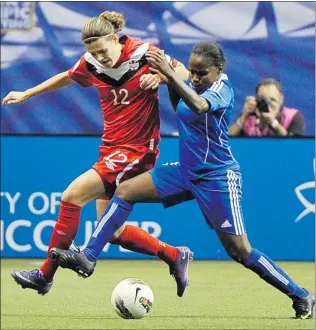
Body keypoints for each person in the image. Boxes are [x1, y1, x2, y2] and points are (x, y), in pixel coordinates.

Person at [50, 41, 315, 319]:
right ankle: (89, 257)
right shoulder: (190, 81)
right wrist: (167, 79)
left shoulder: (223, 88)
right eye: (192, 72)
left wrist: (170, 73)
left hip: (217, 177)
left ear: (219, 69)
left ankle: (300, 294)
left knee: (239, 250)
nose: (196, 77)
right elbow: (180, 102)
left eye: (202, 73)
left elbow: (199, 105)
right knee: (125, 190)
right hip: (185, 171)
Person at [3, 11, 192, 297]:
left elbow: (184, 72)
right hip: (111, 149)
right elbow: (66, 77)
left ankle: (44, 275)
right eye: (93, 53)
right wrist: (27, 94)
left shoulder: (144, 53)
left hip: (138, 149)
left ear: (115, 39)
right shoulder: (91, 62)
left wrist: (161, 78)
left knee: (71, 196)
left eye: (103, 51)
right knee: (114, 232)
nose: (100, 58)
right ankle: (174, 254)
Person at [228, 78, 305, 137]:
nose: (268, 105)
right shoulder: (248, 115)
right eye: (263, 100)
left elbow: (296, 147)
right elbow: (226, 141)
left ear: (281, 99)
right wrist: (243, 117)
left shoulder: (292, 117)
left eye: (272, 100)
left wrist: (273, 123)